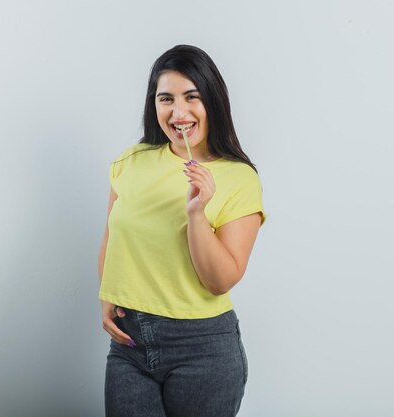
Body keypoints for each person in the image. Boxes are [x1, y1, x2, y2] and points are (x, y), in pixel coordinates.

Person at [97, 44, 267, 417]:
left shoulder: (239, 178)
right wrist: (107, 293)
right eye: (165, 99)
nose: (178, 113)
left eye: (192, 97)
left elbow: (220, 280)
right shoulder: (132, 160)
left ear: (213, 102)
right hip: (129, 344)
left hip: (202, 347)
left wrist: (196, 213)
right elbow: (113, 233)